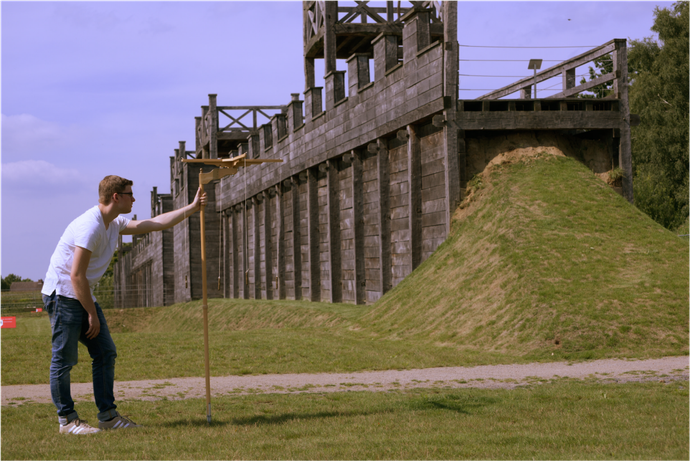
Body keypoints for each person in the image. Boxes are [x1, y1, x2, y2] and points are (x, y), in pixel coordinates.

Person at [41, 175, 206, 434]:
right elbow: (75, 275)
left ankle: (108, 417)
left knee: (105, 352)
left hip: (81, 292)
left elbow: (152, 224)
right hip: (63, 294)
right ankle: (67, 420)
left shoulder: (114, 223)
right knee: (64, 359)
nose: (134, 198)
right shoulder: (91, 226)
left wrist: (191, 208)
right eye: (130, 193)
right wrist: (91, 314)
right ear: (116, 197)